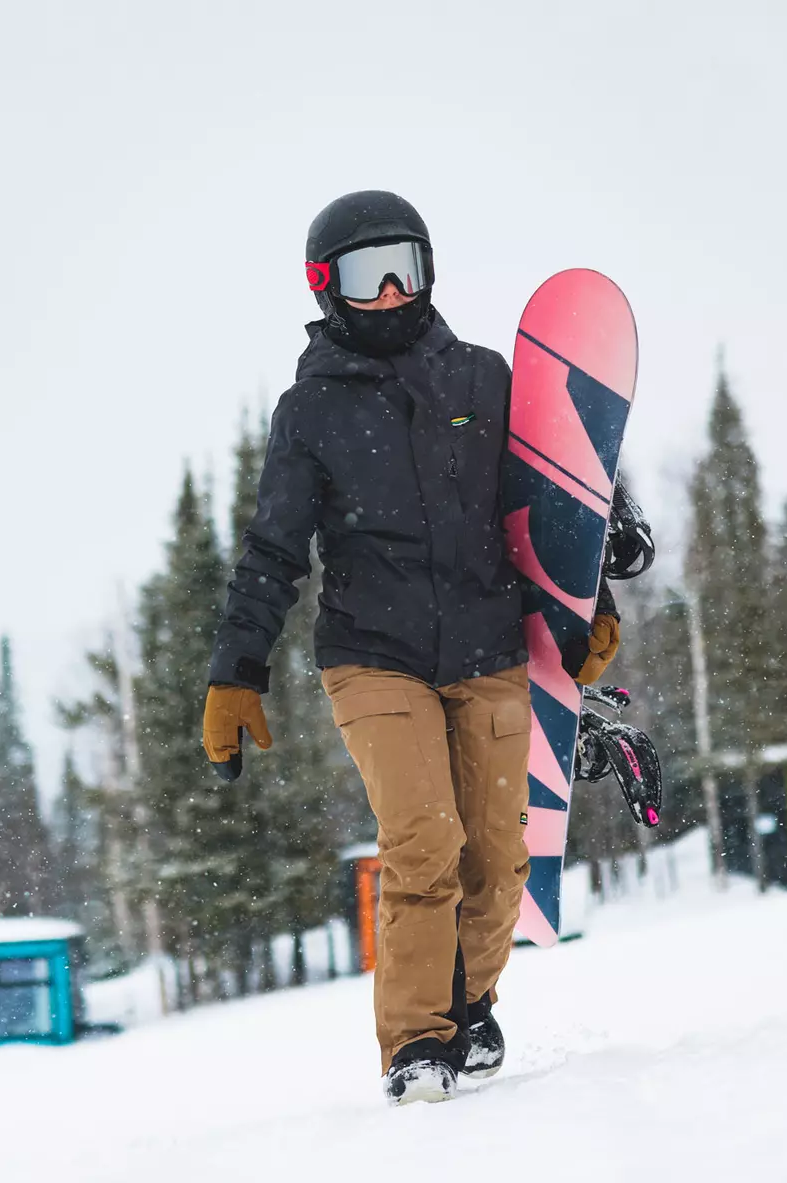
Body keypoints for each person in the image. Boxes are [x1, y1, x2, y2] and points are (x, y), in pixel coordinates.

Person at [202, 190, 620, 1105]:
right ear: (326, 288)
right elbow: (274, 551)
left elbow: (552, 501)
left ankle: (470, 1007)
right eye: (365, 274)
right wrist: (238, 669)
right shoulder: (309, 412)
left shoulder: (483, 379)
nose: (391, 291)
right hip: (373, 655)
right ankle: (416, 1042)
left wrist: (592, 600)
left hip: (488, 644)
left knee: (498, 855)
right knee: (424, 839)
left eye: (406, 266)